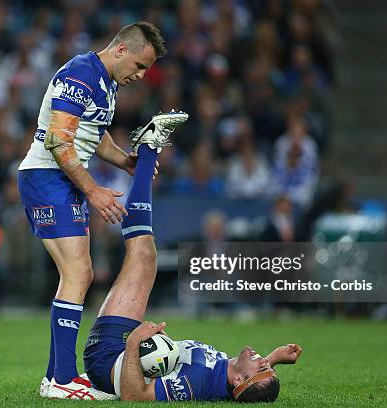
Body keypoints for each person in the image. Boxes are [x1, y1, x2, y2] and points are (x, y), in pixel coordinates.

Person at [17, 21, 187, 399]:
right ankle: (62, 378)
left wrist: (124, 161)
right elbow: (60, 141)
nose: (141, 76)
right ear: (121, 49)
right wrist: (93, 190)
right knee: (77, 272)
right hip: (47, 176)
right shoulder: (81, 73)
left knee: (81, 272)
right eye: (140, 66)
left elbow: (93, 135)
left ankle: (55, 377)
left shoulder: (105, 83)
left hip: (60, 179)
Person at [81, 144, 302, 402]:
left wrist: (132, 344)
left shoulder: (197, 382)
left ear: (239, 380)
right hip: (122, 351)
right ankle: (147, 155)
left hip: (109, 357)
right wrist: (274, 358)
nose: (263, 361)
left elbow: (134, 395)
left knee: (143, 254)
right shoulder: (230, 374)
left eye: (262, 367)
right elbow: (251, 380)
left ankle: (148, 151)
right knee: (145, 255)